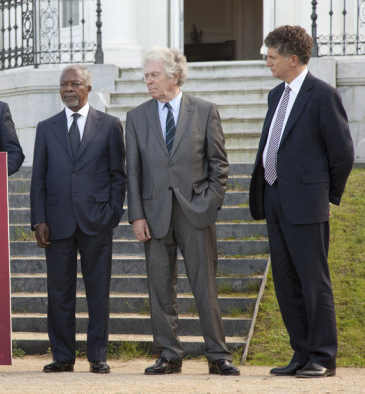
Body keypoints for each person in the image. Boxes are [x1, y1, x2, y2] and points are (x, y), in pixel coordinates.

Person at [126, 46, 240, 376]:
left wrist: (210, 202)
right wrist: (136, 215)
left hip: (196, 212)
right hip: (153, 215)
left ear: (175, 76)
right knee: (160, 288)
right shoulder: (136, 117)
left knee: (204, 286)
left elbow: (219, 164)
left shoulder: (205, 111)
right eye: (145, 76)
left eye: (153, 75)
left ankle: (218, 355)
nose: (148, 81)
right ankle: (168, 354)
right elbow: (132, 172)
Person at [249, 25, 354, 378]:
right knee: (286, 280)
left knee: (313, 282)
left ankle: (323, 356)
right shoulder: (274, 96)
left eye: (272, 57)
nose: (267, 62)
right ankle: (301, 354)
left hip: (307, 203)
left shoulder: (322, 95)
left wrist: (325, 196)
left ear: (293, 59)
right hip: (274, 197)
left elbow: (342, 153)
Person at [30, 65, 126, 374]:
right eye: (64, 85)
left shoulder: (110, 126)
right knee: (58, 293)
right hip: (56, 223)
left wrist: (112, 213)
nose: (68, 89)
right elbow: (38, 179)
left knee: (98, 292)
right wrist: (38, 220)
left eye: (75, 84)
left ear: (88, 87)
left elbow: (117, 176)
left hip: (97, 221)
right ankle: (62, 356)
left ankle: (97, 355)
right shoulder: (46, 127)